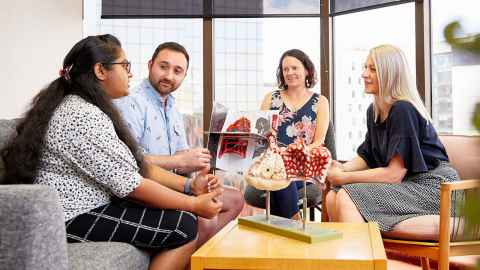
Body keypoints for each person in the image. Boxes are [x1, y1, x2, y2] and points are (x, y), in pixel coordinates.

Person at [1, 35, 224, 270]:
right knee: (183, 225)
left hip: (90, 205)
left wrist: (189, 188)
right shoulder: (82, 115)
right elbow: (132, 184)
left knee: (180, 214)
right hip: (69, 217)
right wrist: (194, 204)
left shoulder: (87, 108)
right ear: (100, 70)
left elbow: (137, 167)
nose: (130, 73)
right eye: (125, 66)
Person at [114, 42, 244, 246]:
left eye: (177, 71)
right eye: (163, 67)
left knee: (236, 199)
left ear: (184, 76)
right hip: (145, 189)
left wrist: (198, 165)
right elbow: (129, 161)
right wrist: (181, 160)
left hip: (175, 184)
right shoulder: (131, 102)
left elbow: (180, 158)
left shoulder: (173, 107)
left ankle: (195, 259)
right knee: (207, 218)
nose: (169, 76)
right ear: (150, 65)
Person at [325, 44, 459, 240]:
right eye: (365, 67)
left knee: (346, 194)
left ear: (389, 74)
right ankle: (355, 260)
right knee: (332, 196)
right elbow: (368, 156)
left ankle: (363, 262)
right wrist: (342, 168)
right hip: (408, 184)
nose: (363, 74)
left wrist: (343, 178)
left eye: (372, 69)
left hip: (435, 188)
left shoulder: (403, 109)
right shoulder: (374, 112)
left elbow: (394, 174)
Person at [244, 49, 330, 219]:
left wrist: (291, 154)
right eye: (285, 69)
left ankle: (286, 229)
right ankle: (295, 224)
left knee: (281, 181)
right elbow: (260, 137)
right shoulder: (271, 98)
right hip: (272, 163)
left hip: (304, 163)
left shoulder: (320, 101)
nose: (289, 73)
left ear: (307, 70)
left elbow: (319, 141)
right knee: (281, 178)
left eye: (294, 68)